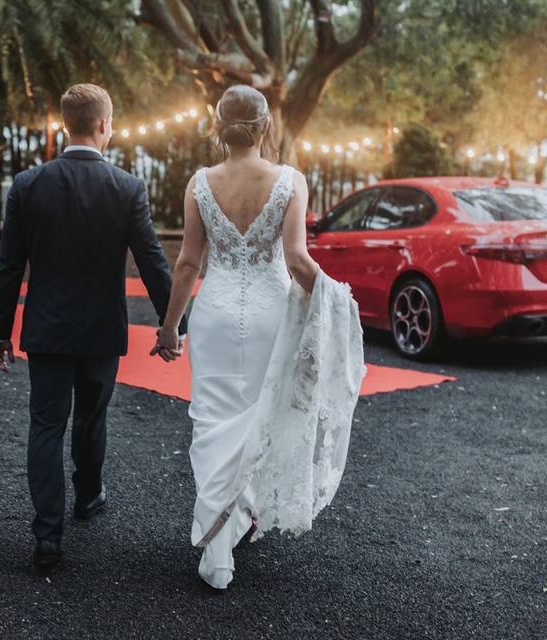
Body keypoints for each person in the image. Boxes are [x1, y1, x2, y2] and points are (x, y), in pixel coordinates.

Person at [153, 85, 365, 588]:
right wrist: (339, 302)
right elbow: (296, 262)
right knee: (259, 419)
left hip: (215, 318)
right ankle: (234, 525)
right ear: (265, 126)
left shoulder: (200, 183)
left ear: (217, 125)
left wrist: (168, 327)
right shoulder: (291, 181)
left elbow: (187, 263)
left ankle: (217, 546)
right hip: (271, 316)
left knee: (213, 425)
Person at [0, 83, 188, 574]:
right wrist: (172, 327)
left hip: (47, 329)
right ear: (103, 126)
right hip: (100, 330)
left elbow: (9, 266)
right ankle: (89, 496)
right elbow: (153, 264)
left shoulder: (28, 185)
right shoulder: (126, 188)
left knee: (45, 424)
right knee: (92, 418)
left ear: (64, 124)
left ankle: (47, 536)